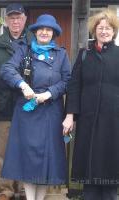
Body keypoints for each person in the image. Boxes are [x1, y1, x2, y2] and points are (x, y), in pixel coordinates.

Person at [0, 14, 71, 200]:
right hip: (27, 111)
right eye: (41, 29)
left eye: (48, 30)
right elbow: (7, 69)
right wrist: (23, 85)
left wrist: (49, 93)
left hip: (51, 111)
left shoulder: (61, 54)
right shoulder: (24, 50)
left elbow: (67, 80)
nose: (44, 32)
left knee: (46, 160)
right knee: (29, 160)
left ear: (53, 33)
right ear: (36, 32)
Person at [63, 9, 119, 200]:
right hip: (88, 122)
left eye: (108, 28)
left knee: (111, 180)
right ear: (94, 31)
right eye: (100, 28)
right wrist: (70, 115)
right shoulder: (84, 55)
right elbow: (74, 86)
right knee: (89, 178)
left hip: (113, 123)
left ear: (114, 31)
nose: (104, 31)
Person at [0, 3, 32, 200]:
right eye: (11, 18)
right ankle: (6, 190)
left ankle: (23, 189)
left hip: (28, 107)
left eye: (18, 17)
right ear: (6, 21)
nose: (15, 21)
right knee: (3, 152)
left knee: (25, 149)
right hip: (4, 107)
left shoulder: (33, 42)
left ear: (25, 19)